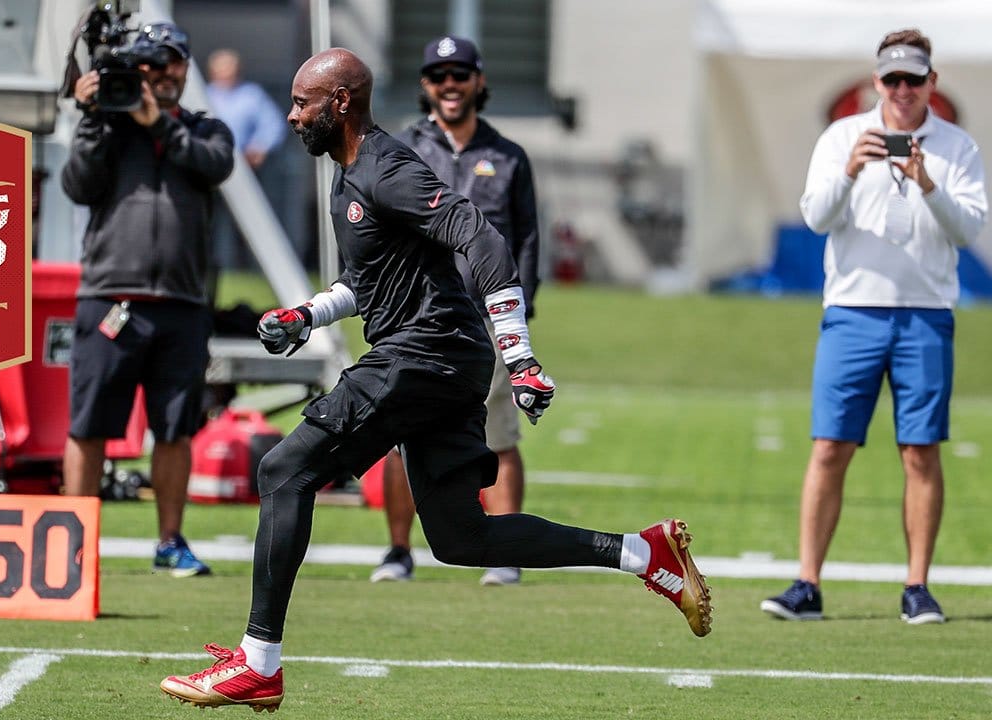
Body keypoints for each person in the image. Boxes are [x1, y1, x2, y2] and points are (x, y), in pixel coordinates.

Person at [159, 48, 712, 711]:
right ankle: (643, 553)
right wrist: (306, 314)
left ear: (340, 104)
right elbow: (366, 284)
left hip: (427, 353)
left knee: (284, 470)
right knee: (460, 539)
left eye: (302, 101)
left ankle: (259, 662)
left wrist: (522, 356)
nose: (291, 113)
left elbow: (481, 236)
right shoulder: (348, 175)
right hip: (439, 358)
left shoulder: (386, 168)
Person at [761, 29, 987, 625]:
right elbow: (815, 216)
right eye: (893, 79)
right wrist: (852, 170)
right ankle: (806, 583)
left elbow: (967, 231)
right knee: (830, 446)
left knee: (919, 451)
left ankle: (917, 586)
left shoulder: (956, 147)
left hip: (926, 313)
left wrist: (926, 182)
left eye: (915, 79)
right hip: (853, 310)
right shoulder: (841, 138)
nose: (904, 90)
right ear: (876, 82)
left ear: (932, 83)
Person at [61, 21, 233, 578]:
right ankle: (73, 549)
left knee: (176, 428)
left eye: (171, 63)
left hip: (181, 304)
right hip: (110, 297)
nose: (161, 74)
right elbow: (78, 186)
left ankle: (170, 542)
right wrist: (91, 117)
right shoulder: (109, 127)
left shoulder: (207, 129)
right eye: (150, 65)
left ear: (185, 68)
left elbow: (215, 166)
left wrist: (159, 125)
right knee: (88, 427)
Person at [371, 36, 540, 587]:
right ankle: (398, 550)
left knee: (499, 435)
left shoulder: (509, 156)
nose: (449, 84)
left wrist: (519, 317)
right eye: (438, 74)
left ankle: (508, 550)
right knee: (400, 436)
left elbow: (527, 240)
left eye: (460, 73)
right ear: (425, 85)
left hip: (486, 322)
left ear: (478, 82)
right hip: (417, 319)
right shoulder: (403, 150)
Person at [204, 48, 289, 271]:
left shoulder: (252, 95)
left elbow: (274, 125)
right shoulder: (204, 95)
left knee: (245, 225)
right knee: (208, 221)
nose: (227, 75)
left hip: (244, 168)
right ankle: (208, 265)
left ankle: (244, 269)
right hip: (210, 168)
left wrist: (260, 147)